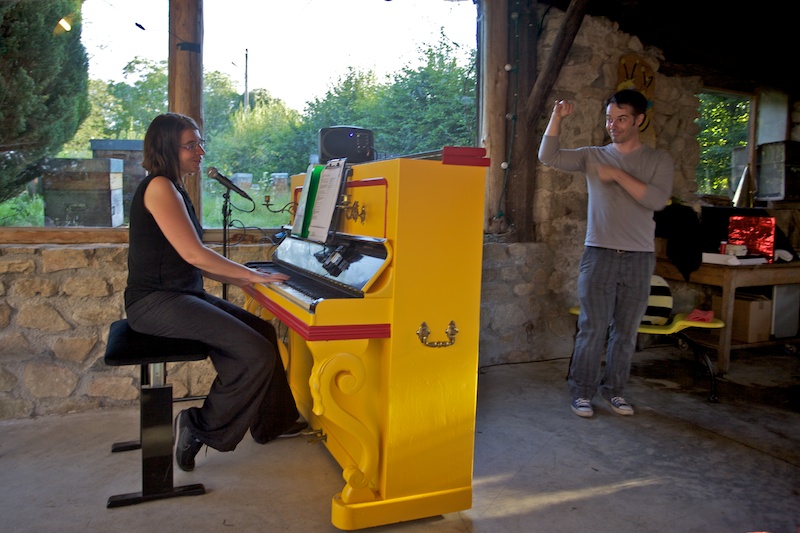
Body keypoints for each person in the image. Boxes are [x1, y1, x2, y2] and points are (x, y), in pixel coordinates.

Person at [125, 112, 306, 471]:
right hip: (155, 302)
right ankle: (198, 426)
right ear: (167, 148)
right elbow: (194, 254)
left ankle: (274, 421)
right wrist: (252, 278)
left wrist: (244, 278)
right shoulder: (159, 187)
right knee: (254, 353)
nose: (200, 151)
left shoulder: (174, 187)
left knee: (263, 332)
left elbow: (193, 258)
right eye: (191, 145)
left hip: (179, 294)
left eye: (200, 143)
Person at [538, 89, 673, 418]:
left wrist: (618, 175)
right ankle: (582, 393)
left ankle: (615, 391)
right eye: (610, 118)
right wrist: (557, 117)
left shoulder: (658, 160)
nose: (613, 125)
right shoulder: (592, 155)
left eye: (622, 119)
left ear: (639, 119)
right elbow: (548, 156)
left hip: (639, 257)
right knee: (592, 328)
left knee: (625, 332)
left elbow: (655, 200)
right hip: (598, 254)